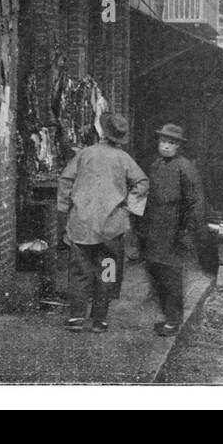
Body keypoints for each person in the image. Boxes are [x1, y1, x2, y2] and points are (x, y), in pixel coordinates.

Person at [56, 112, 148, 334]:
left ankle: (76, 318)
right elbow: (142, 182)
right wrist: (127, 207)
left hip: (82, 224)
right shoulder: (124, 159)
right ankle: (99, 319)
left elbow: (65, 182)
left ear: (101, 132)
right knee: (107, 272)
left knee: (80, 272)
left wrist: (64, 210)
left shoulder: (85, 154)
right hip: (112, 228)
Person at [140, 123, 204, 337]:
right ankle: (167, 316)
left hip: (174, 227)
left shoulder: (185, 167)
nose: (166, 146)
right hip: (154, 226)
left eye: (171, 143)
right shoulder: (156, 165)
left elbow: (194, 202)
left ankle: (174, 320)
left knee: (171, 275)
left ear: (178, 146)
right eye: (163, 141)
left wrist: (186, 231)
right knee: (156, 272)